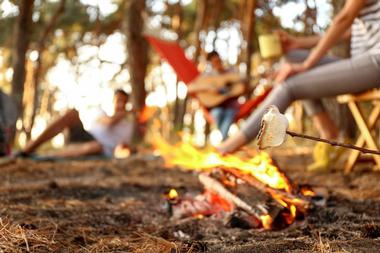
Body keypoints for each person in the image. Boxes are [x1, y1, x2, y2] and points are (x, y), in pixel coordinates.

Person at [218, 0, 380, 165]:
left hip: (376, 62)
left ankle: (229, 147)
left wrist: (306, 65)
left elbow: (344, 19)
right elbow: (348, 30)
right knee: (292, 56)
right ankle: (330, 134)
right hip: (363, 61)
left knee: (290, 86)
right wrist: (298, 43)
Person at [18, 89, 134, 158]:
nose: (120, 104)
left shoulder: (128, 126)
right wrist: (126, 113)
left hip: (100, 150)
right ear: (113, 101)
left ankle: (48, 156)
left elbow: (125, 147)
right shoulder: (101, 112)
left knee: (96, 147)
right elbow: (109, 122)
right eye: (118, 100)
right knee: (72, 113)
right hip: (86, 137)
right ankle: (28, 149)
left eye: (123, 102)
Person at [188, 51, 243, 140]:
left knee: (229, 113)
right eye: (215, 62)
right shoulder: (208, 76)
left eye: (218, 60)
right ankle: (224, 141)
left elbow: (241, 87)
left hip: (231, 106)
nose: (217, 63)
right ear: (211, 63)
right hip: (215, 106)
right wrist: (208, 88)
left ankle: (223, 141)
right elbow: (190, 87)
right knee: (218, 113)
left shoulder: (232, 72)